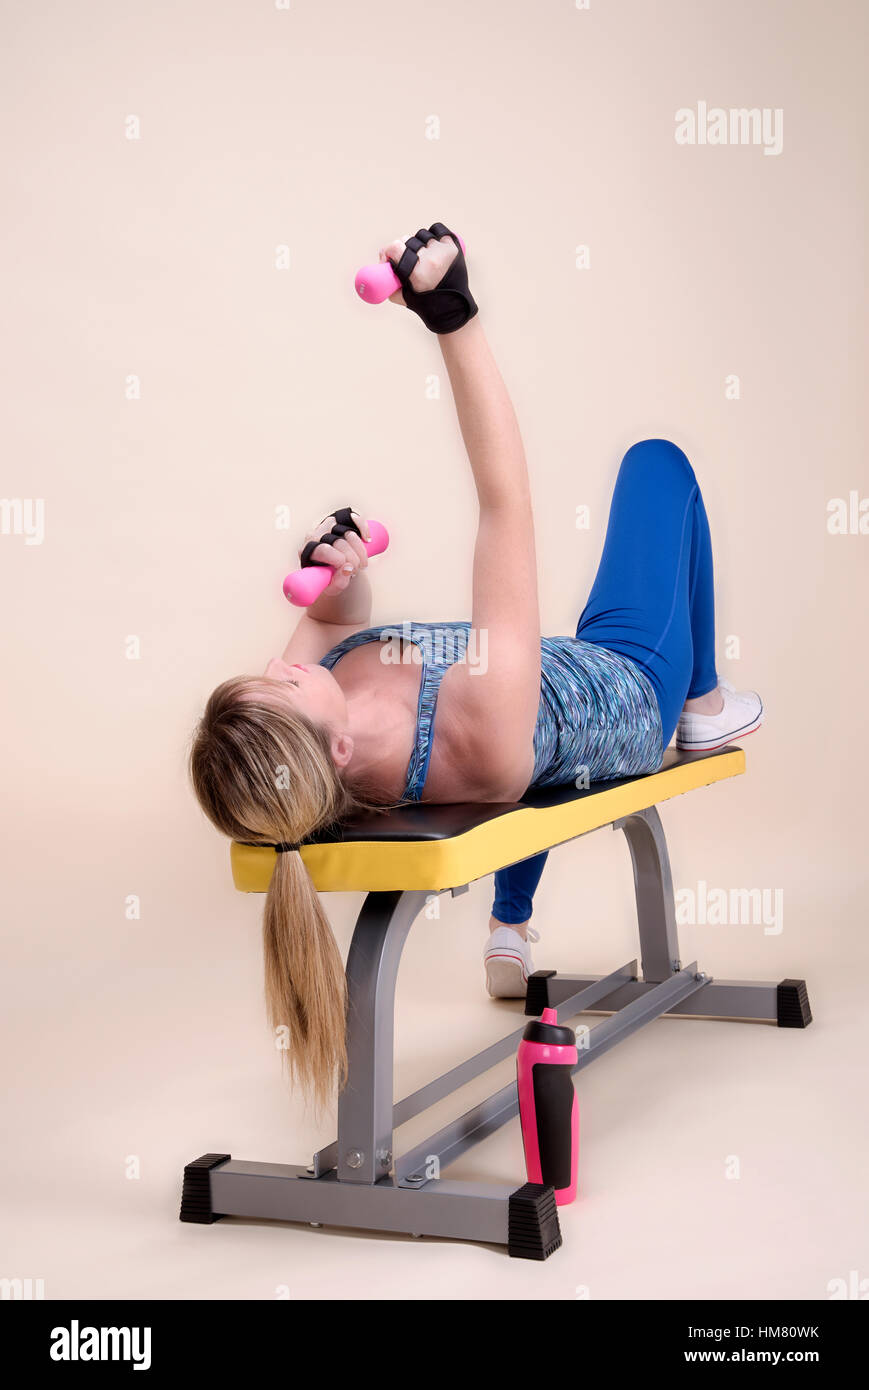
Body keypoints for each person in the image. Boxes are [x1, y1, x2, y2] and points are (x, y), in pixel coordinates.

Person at [189, 223, 763, 1108]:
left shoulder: (316, 735)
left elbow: (337, 619)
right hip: (620, 680)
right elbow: (505, 500)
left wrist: (342, 575)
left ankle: (508, 925)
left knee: (529, 762)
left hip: (535, 704)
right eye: (279, 680)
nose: (279, 660)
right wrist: (452, 319)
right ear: (335, 754)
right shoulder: (472, 732)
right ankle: (703, 700)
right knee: (657, 467)